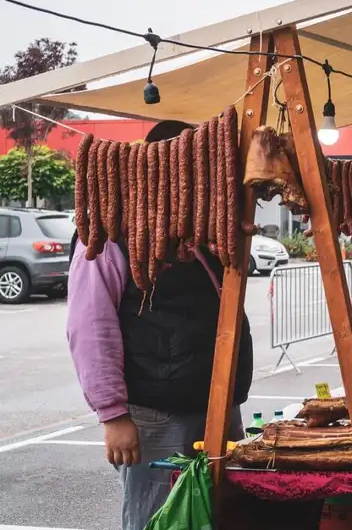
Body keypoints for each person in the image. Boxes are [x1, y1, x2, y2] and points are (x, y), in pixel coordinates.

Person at [66, 120, 253, 530]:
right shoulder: (105, 236)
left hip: (217, 405)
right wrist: (113, 414)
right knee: (159, 519)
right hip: (154, 415)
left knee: (221, 516)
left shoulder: (200, 231)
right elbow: (89, 328)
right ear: (160, 165)